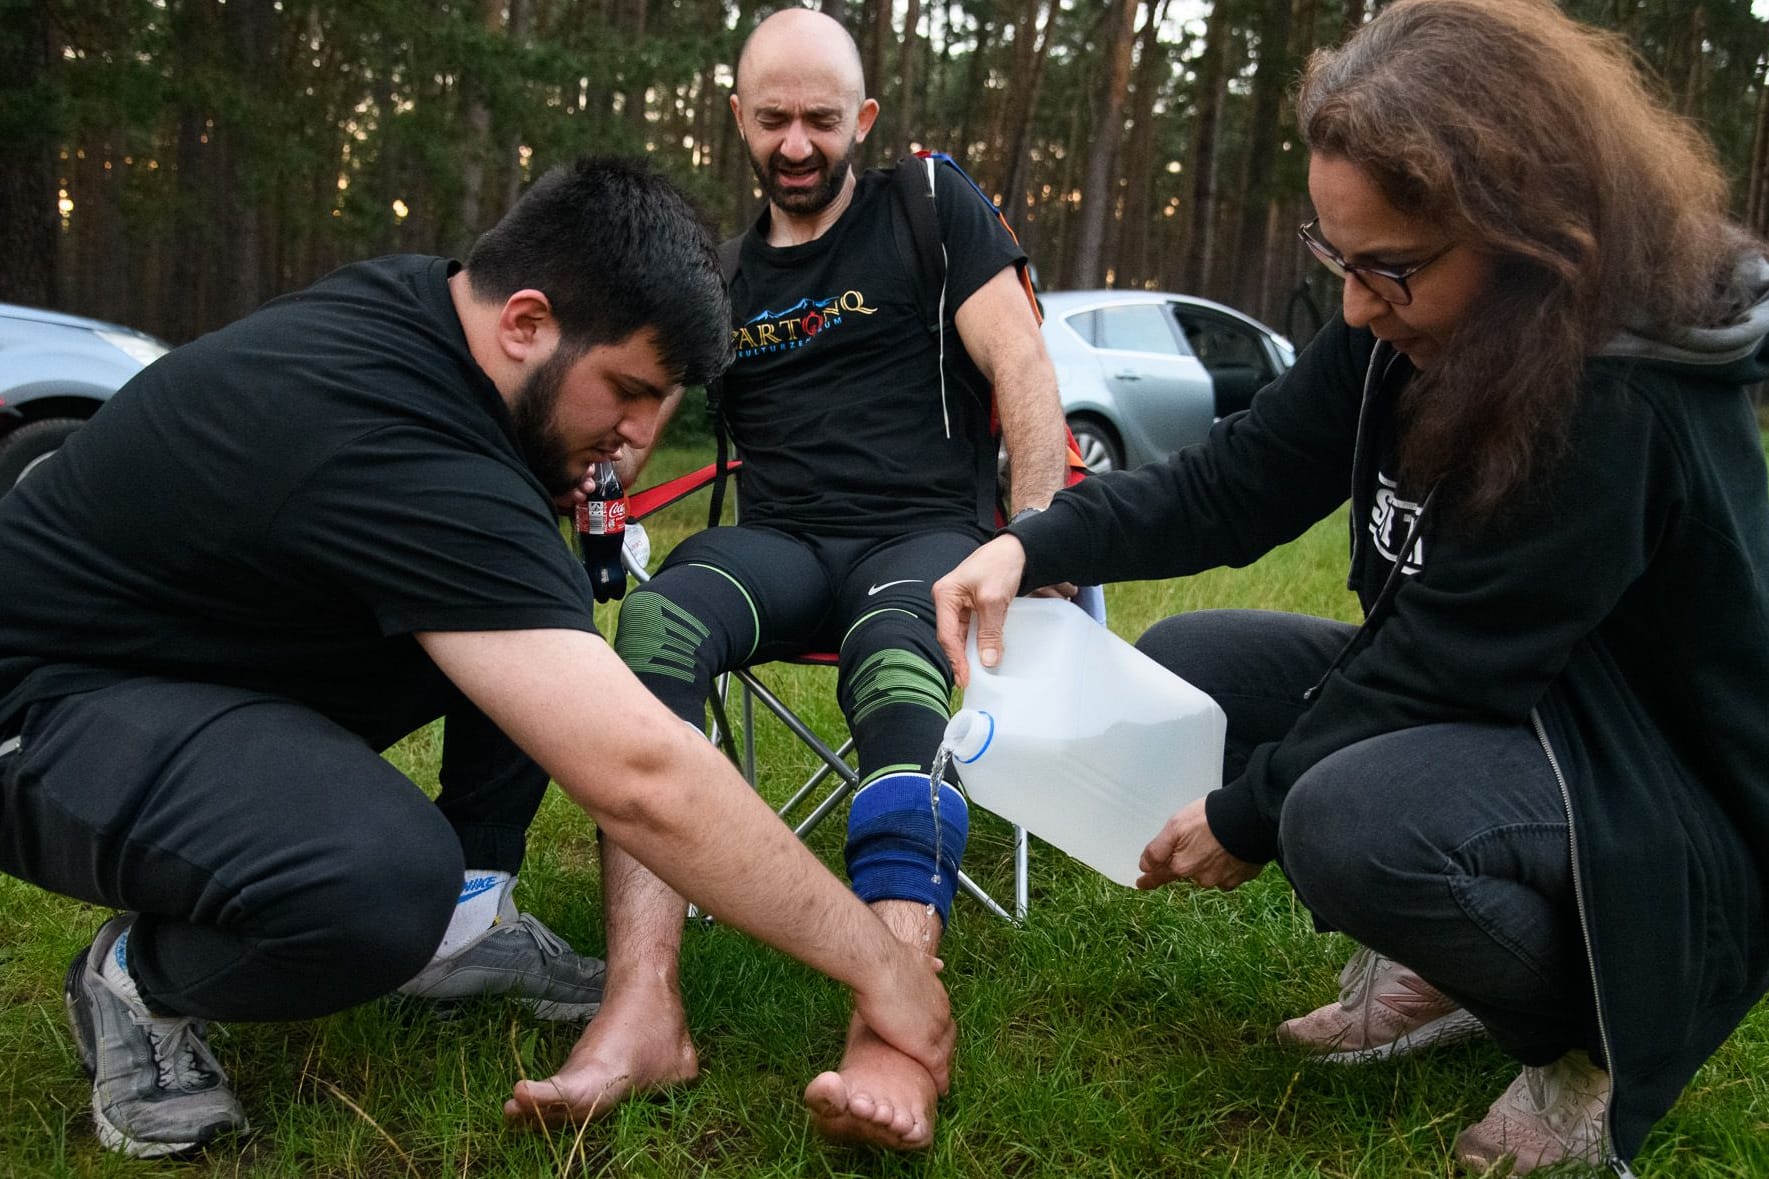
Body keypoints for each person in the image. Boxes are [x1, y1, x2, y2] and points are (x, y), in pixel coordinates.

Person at [931, 0, 1769, 1173]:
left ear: (1527, 233)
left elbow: (1439, 659)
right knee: (1196, 668)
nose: (1357, 305)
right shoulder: (1402, 324)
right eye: (1338, 260)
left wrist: (1245, 816)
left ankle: (1586, 1039)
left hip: (1644, 781)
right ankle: (1452, 957)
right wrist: (1039, 538)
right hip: (1510, 708)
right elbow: (1235, 485)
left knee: (1337, 820)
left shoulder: (1613, 399)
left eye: (1390, 269)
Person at [0, 156, 953, 1160]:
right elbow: (638, 775)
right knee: (372, 883)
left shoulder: (431, 320)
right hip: (45, 706)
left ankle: (464, 924)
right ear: (526, 323)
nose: (635, 438)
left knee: (535, 618)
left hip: (196, 653)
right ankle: (140, 978)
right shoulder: (391, 435)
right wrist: (881, 965)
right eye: (627, 391)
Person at [511, 7, 1067, 1153]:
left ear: (860, 118)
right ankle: (641, 1005)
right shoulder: (719, 276)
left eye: (821, 118)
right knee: (658, 622)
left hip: (921, 536)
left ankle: (896, 1014)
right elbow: (629, 413)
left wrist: (1038, 533)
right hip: (783, 544)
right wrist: (564, 477)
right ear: (739, 123)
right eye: (774, 120)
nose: (799, 142)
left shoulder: (926, 207)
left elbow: (1020, 364)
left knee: (896, 649)